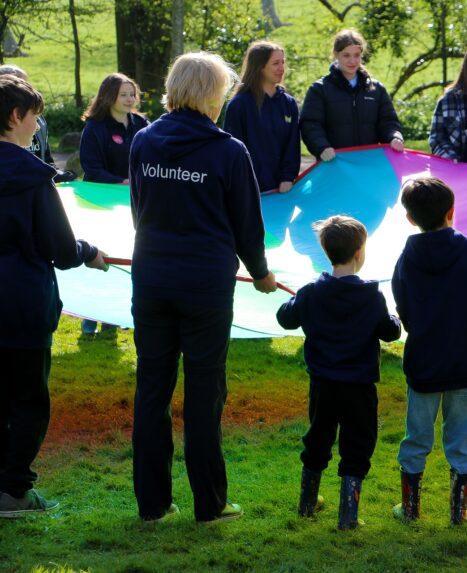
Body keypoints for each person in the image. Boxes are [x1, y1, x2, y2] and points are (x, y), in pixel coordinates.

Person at [129, 52, 278, 523]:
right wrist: (260, 272)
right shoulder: (229, 150)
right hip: (205, 286)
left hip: (152, 276)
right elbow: (247, 226)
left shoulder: (143, 142)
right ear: (213, 94)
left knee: (151, 389)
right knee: (204, 390)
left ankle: (153, 506)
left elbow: (139, 209)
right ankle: (209, 505)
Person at [0, 76, 108, 518]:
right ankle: (13, 492)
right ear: (14, 118)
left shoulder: (34, 176)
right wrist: (88, 252)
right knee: (27, 400)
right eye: (35, 115)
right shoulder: (31, 179)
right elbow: (60, 249)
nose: (38, 124)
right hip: (20, 305)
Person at [276, 215, 401, 530]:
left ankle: (307, 503)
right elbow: (390, 332)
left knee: (317, 438)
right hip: (358, 387)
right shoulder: (372, 297)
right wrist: (394, 318)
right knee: (358, 443)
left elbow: (285, 318)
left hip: (323, 385)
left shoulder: (310, 293)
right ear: (360, 252)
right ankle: (348, 515)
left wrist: (296, 300)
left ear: (324, 250)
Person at [390, 177, 467, 525]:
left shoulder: (406, 258)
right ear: (452, 211)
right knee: (461, 440)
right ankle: (457, 511)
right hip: (464, 363)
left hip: (422, 364)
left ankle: (410, 509)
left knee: (416, 438)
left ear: (409, 219)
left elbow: (403, 307)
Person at [80, 72, 149, 335]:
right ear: (109, 96)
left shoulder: (143, 124)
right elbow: (91, 168)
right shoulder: (95, 127)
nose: (130, 99)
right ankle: (89, 317)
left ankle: (112, 316)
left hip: (133, 206)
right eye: (124, 95)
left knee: (124, 259)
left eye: (133, 94)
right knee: (99, 260)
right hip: (100, 206)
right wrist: (119, 182)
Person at [301, 29, 403, 162]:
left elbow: (389, 122)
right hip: (334, 165)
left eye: (356, 55)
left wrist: (394, 136)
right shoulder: (319, 89)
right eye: (346, 55)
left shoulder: (376, 89)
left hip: (369, 164)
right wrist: (322, 148)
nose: (352, 61)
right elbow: (310, 125)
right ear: (336, 54)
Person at [223, 41, 300, 194]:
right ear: (260, 67)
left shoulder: (289, 104)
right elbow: (232, 151)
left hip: (282, 190)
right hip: (248, 190)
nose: (281, 68)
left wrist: (287, 176)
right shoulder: (239, 105)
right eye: (275, 63)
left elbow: (292, 146)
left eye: (282, 62)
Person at [0, 64, 75, 182]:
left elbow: (47, 159)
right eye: (18, 83)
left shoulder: (38, 121)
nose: (26, 89)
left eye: (27, 84)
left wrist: (56, 174)